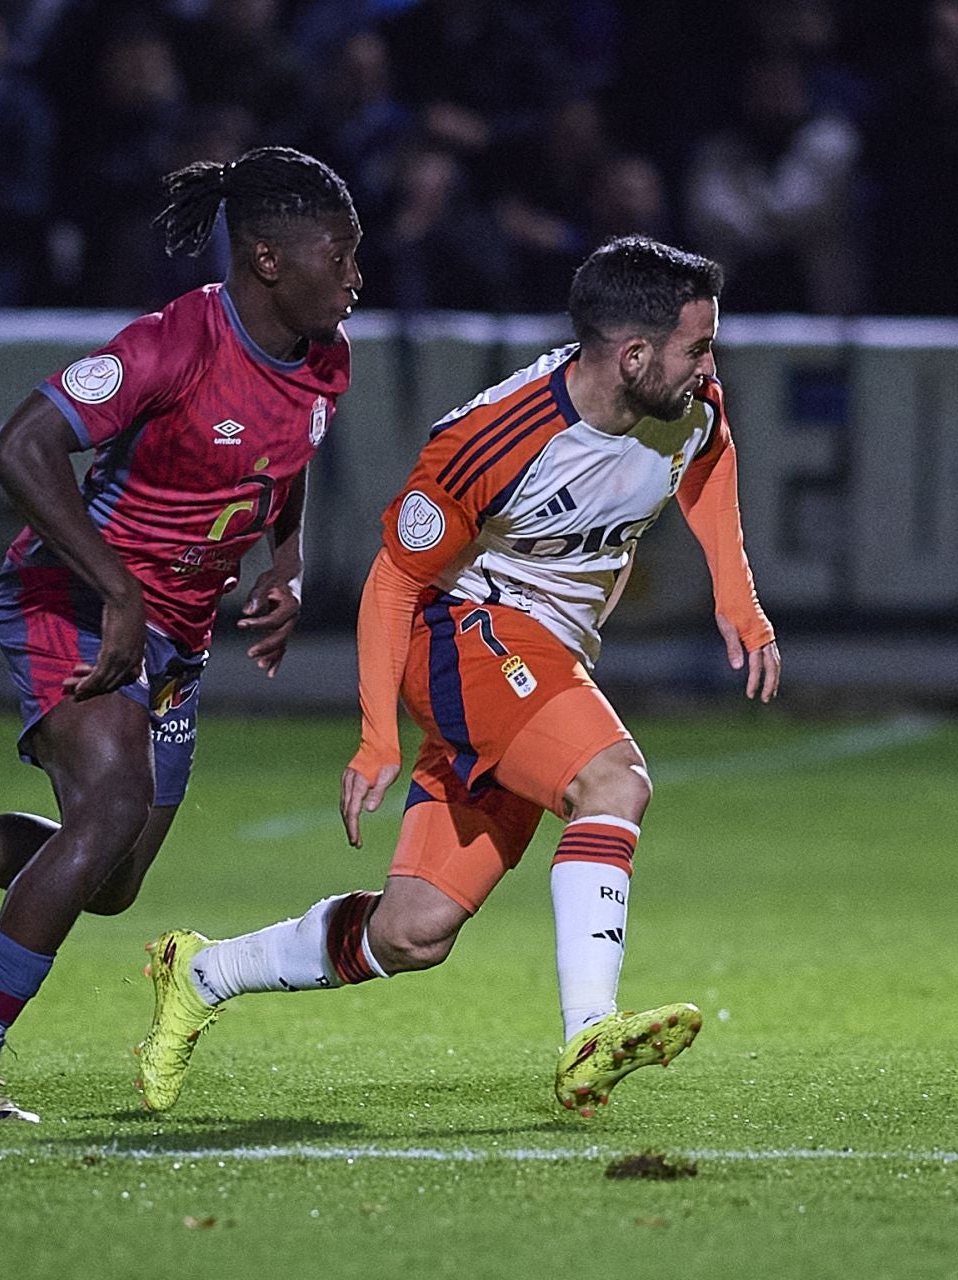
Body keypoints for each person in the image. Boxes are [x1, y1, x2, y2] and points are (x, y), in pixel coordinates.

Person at [135, 235, 781, 1117]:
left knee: (414, 933)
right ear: (633, 355)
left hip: (542, 659)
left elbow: (707, 458)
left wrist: (736, 600)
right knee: (613, 782)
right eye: (699, 346)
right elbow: (394, 579)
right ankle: (590, 1031)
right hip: (465, 632)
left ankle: (202, 973)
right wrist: (374, 738)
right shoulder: (496, 439)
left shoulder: (686, 397)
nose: (713, 365)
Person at [0, 145, 364, 1124]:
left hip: (177, 635)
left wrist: (286, 561)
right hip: (72, 597)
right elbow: (18, 446)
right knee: (108, 807)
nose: (356, 276)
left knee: (111, 880)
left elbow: (288, 455)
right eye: (340, 255)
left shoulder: (324, 358)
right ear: (268, 257)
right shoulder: (173, 343)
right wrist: (117, 589)